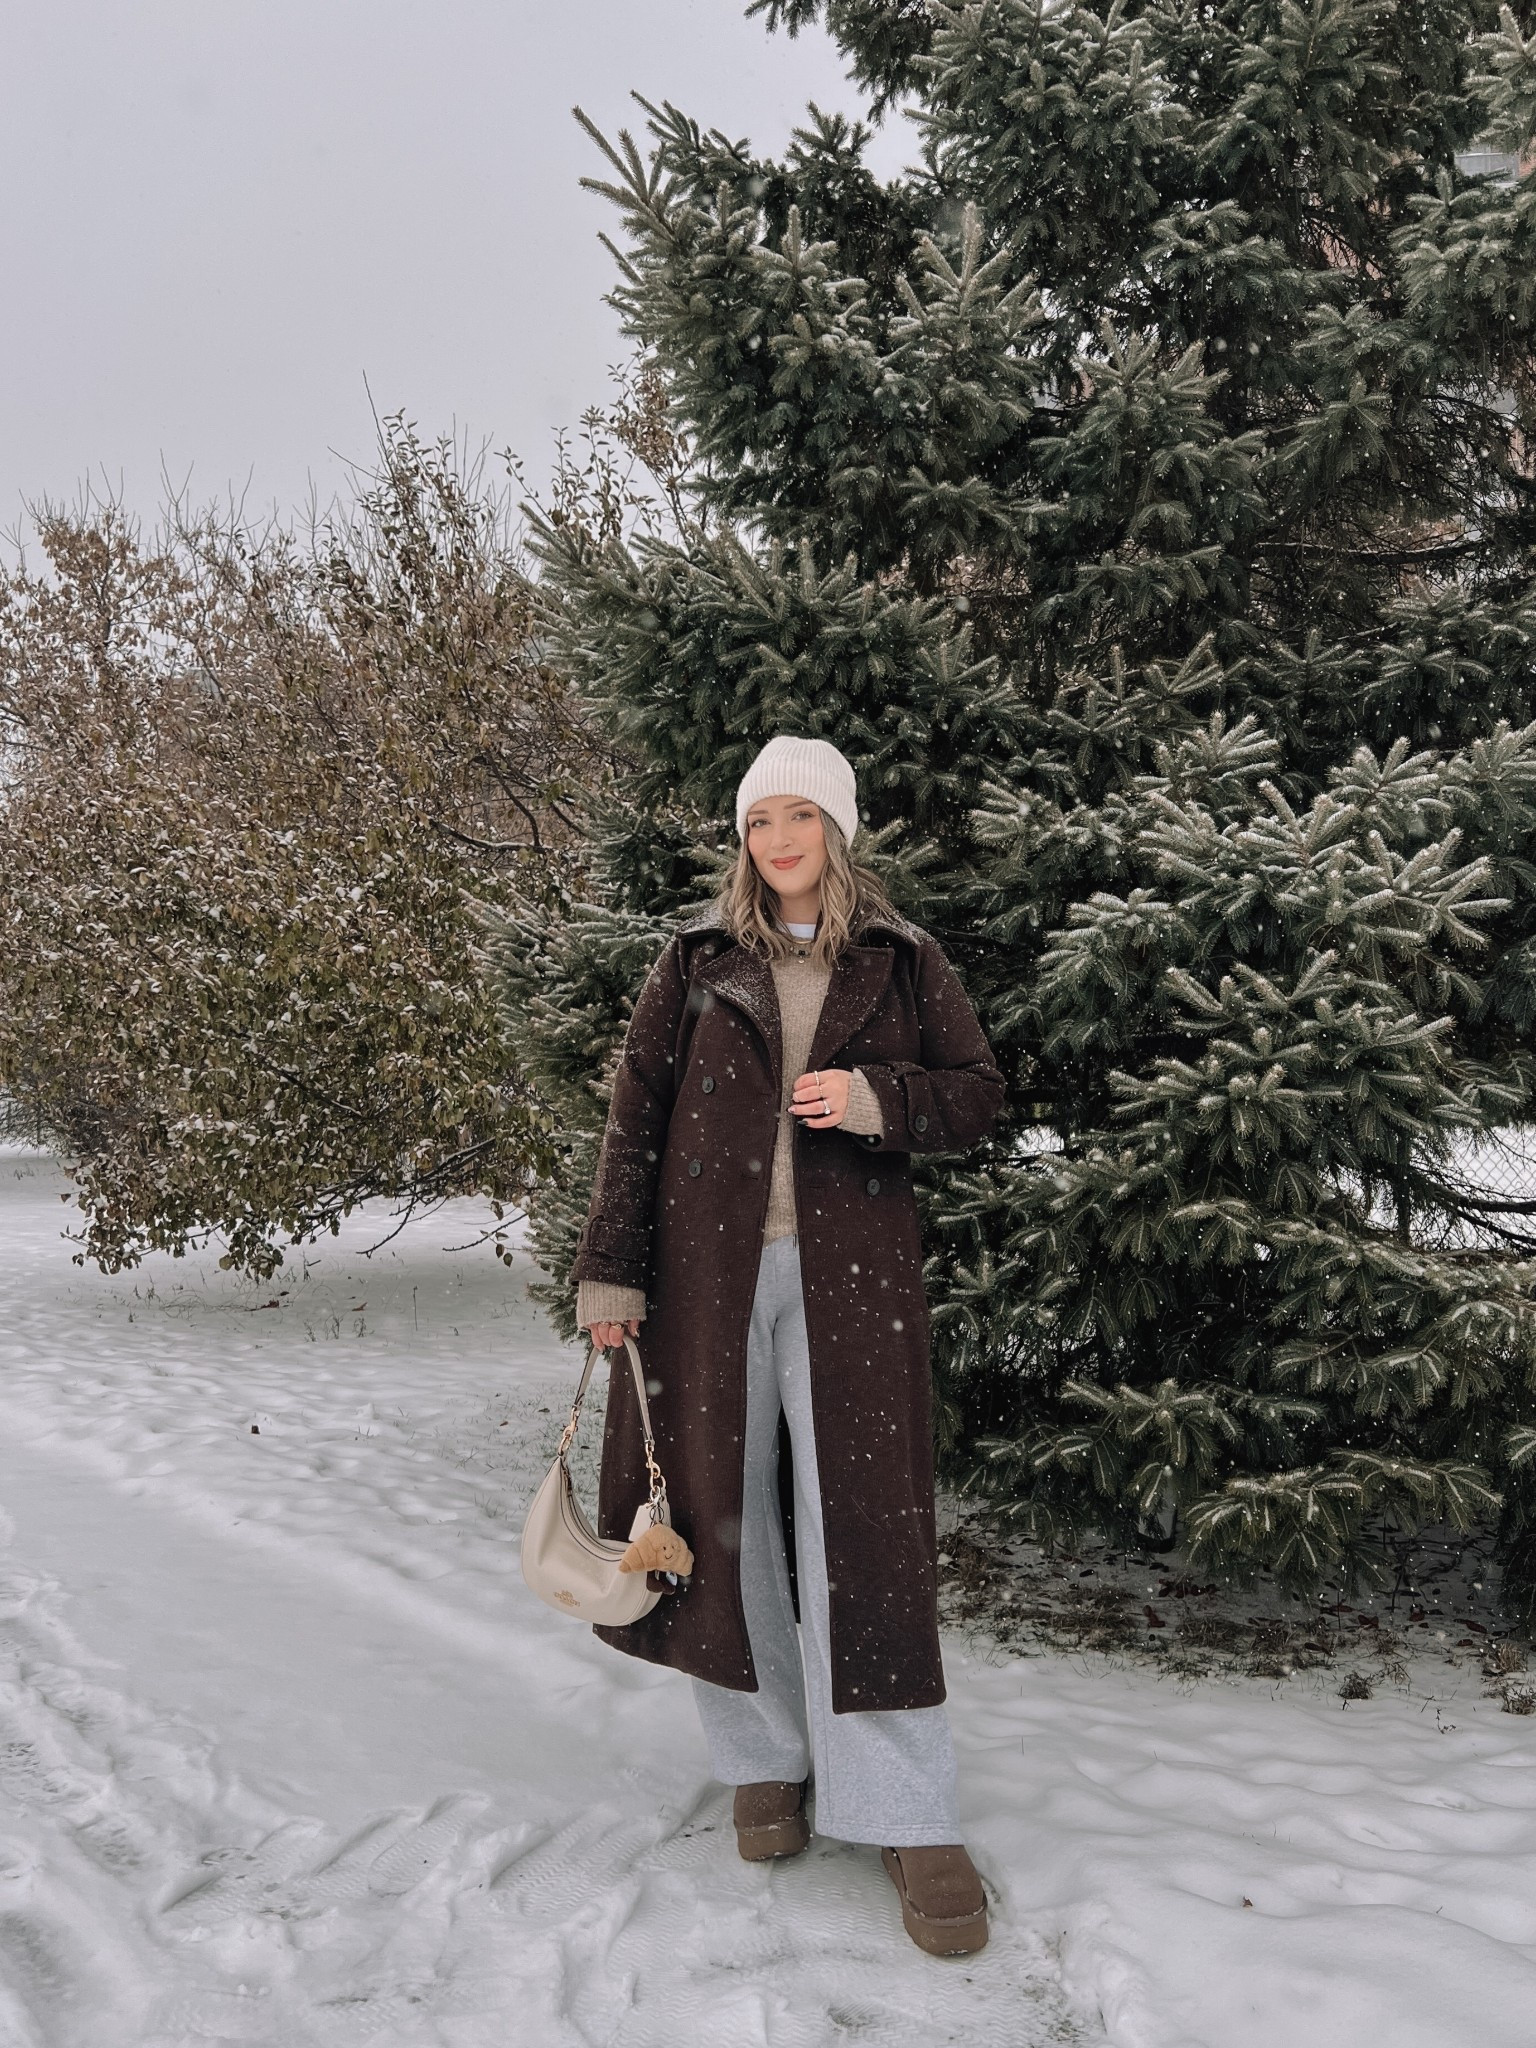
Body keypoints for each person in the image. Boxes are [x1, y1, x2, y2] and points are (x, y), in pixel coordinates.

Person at [572, 734, 1005, 1956]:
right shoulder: (697, 960)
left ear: (838, 829)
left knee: (862, 1523)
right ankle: (764, 1754)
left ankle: (907, 1809)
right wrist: (613, 1267)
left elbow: (977, 1090)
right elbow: (635, 1117)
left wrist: (880, 1101)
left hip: (849, 1282)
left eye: (799, 818)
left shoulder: (903, 960)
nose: (777, 841)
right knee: (719, 1517)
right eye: (760, 820)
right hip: (705, 1282)